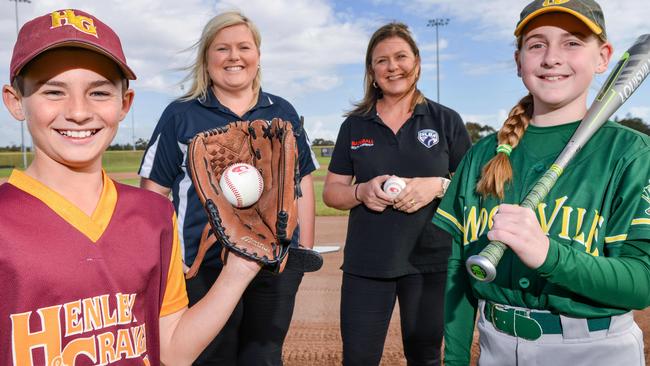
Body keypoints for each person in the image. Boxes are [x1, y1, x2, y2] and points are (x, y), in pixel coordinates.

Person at [0, 9, 261, 365]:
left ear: (125, 104)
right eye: (54, 91)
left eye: (99, 92)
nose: (78, 111)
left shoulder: (154, 214)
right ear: (16, 101)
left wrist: (238, 271)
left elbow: (170, 351)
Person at [432, 1, 650, 365]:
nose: (552, 58)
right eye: (537, 44)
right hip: (495, 345)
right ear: (519, 61)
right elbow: (459, 267)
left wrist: (549, 255)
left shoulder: (631, 153)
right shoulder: (482, 155)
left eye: (572, 42)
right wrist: (454, 360)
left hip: (593, 349)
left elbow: (641, 282)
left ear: (603, 57)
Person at [138, 10, 318, 365]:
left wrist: (300, 252)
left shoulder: (282, 111)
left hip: (274, 259)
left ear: (257, 56)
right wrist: (163, 263)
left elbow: (304, 183)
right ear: (207, 58)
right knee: (209, 356)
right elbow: (152, 193)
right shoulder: (181, 115)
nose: (234, 56)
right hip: (202, 263)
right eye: (222, 48)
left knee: (263, 356)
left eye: (243, 47)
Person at [323, 22, 472, 366]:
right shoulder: (355, 125)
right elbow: (332, 192)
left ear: (417, 63)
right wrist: (361, 191)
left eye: (401, 57)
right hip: (367, 263)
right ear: (372, 72)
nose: (393, 67)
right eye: (382, 60)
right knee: (358, 359)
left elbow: (474, 189)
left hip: (429, 261)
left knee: (425, 356)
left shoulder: (445, 120)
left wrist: (437, 186)